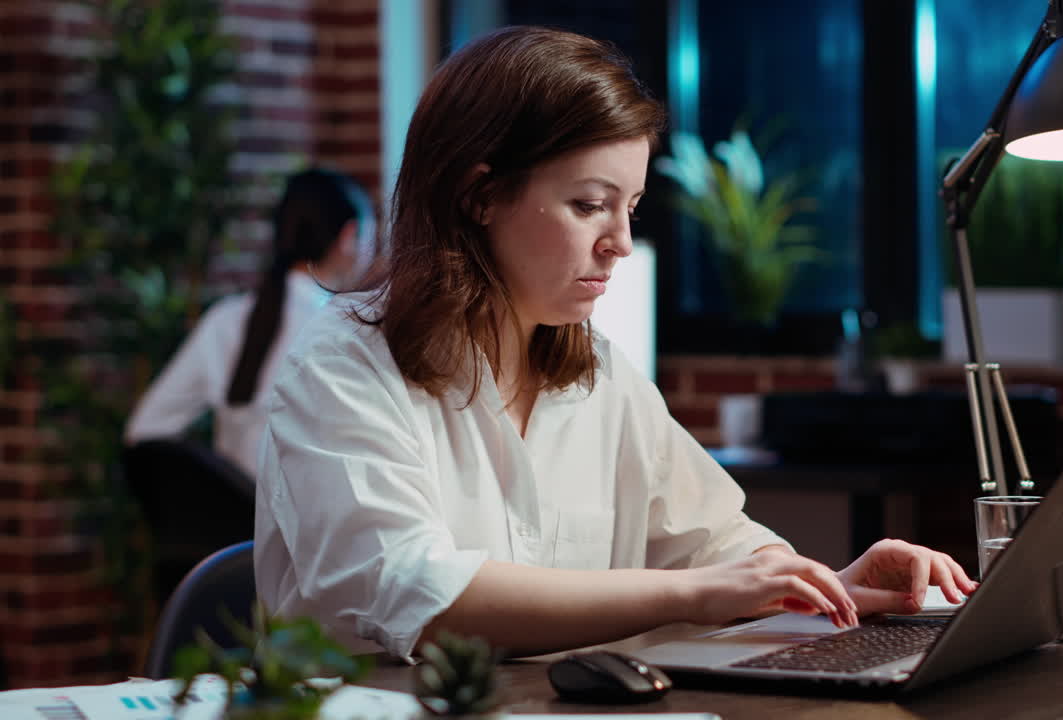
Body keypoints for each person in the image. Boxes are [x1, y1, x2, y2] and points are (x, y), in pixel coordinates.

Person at [254, 26, 976, 662]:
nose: (621, 243)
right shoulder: (345, 364)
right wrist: (693, 594)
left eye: (629, 208)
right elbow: (421, 596)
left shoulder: (597, 372)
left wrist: (825, 585)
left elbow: (716, 541)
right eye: (588, 205)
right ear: (478, 196)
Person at [125, 168, 375, 478]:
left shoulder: (225, 319)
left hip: (235, 523)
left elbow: (145, 430)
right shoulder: (345, 331)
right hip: (313, 525)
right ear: (349, 236)